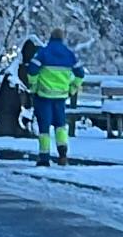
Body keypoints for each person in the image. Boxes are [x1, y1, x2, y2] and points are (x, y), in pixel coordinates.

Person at [28, 35, 83, 164]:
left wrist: (34, 87)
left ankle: (44, 157)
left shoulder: (43, 53)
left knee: (44, 128)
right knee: (60, 126)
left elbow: (32, 70)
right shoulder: (69, 54)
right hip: (61, 97)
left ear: (50, 39)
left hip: (44, 96)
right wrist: (72, 89)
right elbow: (80, 74)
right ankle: (63, 154)